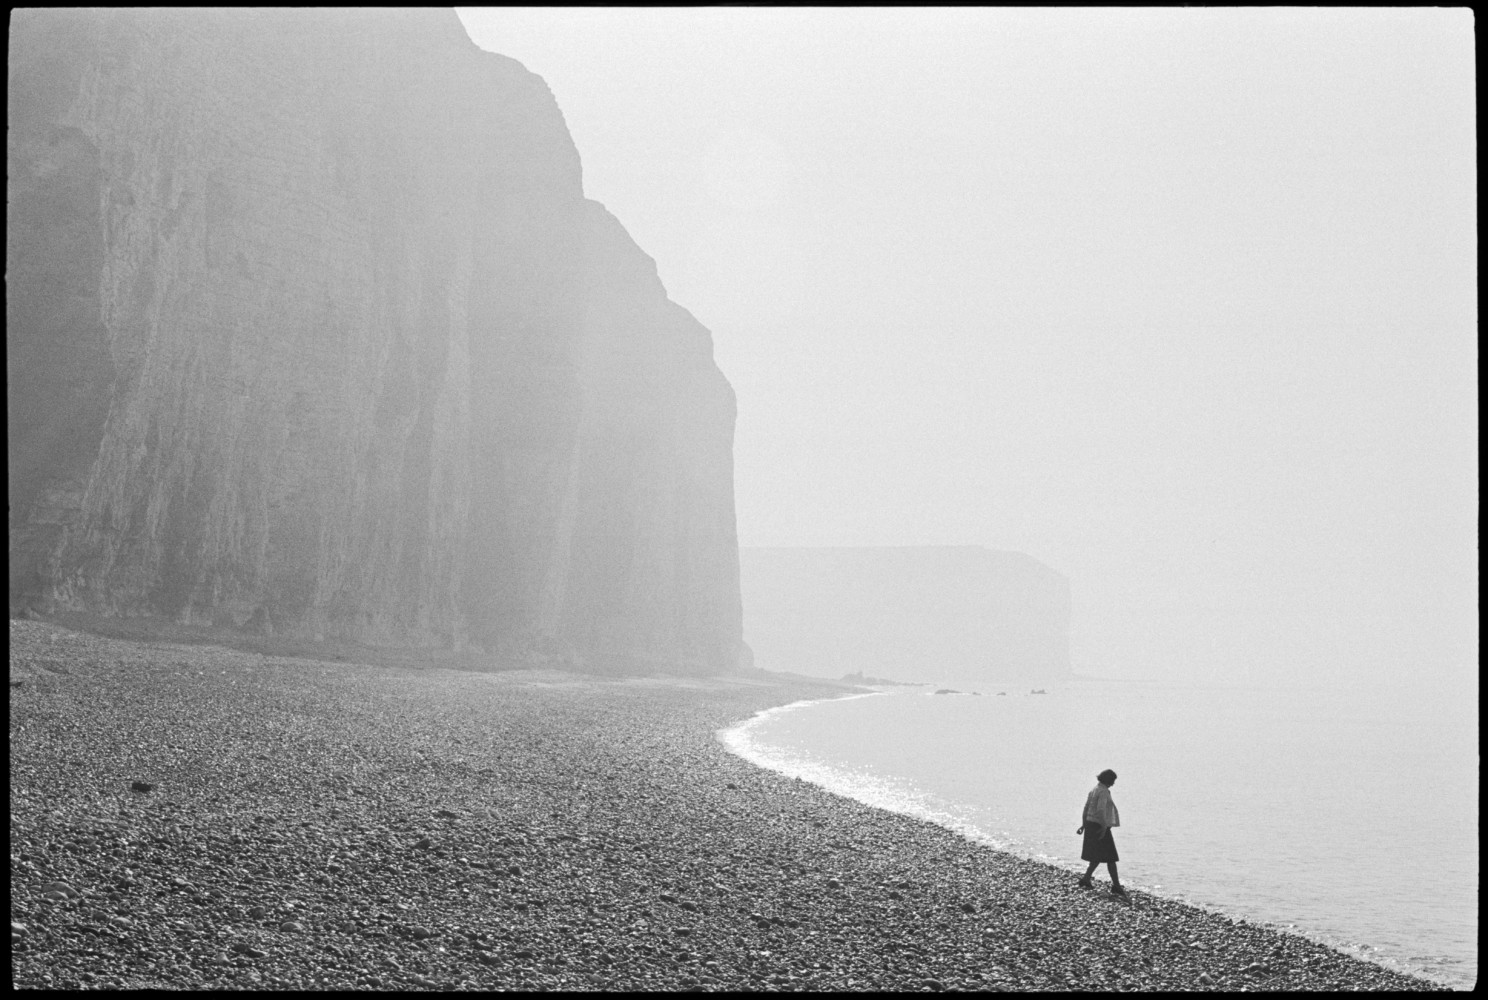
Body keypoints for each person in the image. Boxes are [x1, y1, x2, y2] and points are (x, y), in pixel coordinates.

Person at [1076, 768, 1126, 895]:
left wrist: (1084, 824)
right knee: (1111, 857)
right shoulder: (1103, 792)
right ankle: (1116, 886)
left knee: (1097, 855)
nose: (1114, 783)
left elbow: (1086, 808)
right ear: (1109, 780)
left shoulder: (1094, 789)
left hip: (1090, 824)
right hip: (1099, 825)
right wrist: (1104, 827)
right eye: (1113, 780)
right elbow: (1100, 810)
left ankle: (1086, 879)